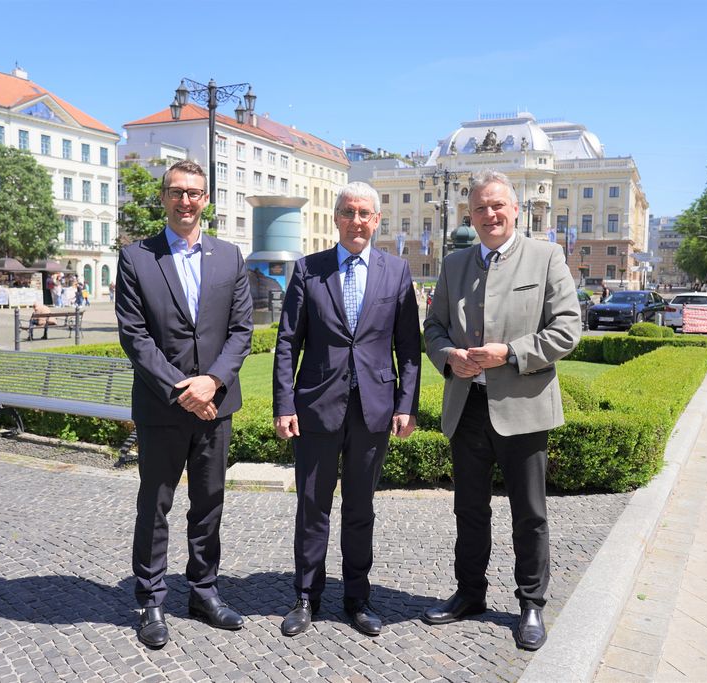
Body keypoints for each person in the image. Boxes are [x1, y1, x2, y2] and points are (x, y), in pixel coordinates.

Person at [422, 170, 581, 651]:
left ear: (515, 210)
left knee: (529, 513)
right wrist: (448, 357)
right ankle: (469, 594)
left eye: (498, 206)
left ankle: (531, 603)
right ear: (469, 215)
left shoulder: (546, 256)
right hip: (467, 405)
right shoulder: (454, 264)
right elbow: (433, 328)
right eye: (480, 208)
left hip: (523, 407)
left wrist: (509, 353)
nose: (490, 214)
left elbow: (567, 330)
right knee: (469, 510)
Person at [272, 182, 421, 638]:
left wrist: (406, 405)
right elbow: (286, 343)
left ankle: (357, 597)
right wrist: (283, 403)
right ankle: (306, 596)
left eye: (365, 214)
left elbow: (408, 347)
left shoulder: (396, 272)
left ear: (377, 221)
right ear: (335, 218)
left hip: (373, 409)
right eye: (348, 212)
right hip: (316, 406)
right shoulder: (307, 270)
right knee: (312, 505)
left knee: (360, 507)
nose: (357, 221)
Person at [115, 160, 253, 649]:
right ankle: (151, 598)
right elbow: (135, 336)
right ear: (164, 198)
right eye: (177, 192)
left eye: (195, 193)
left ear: (206, 200)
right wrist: (181, 389)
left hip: (216, 404)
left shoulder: (230, 257)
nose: (186, 201)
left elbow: (241, 331)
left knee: (209, 503)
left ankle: (203, 591)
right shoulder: (136, 257)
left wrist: (211, 382)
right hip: (162, 406)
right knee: (155, 504)